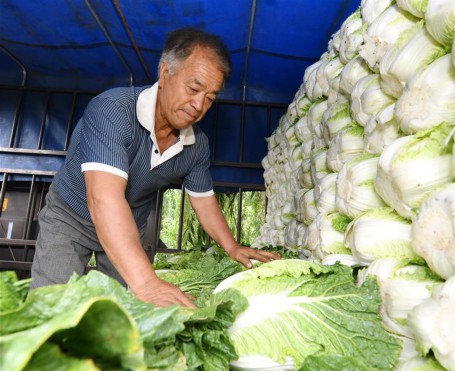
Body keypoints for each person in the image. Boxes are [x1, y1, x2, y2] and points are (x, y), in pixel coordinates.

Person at [30, 27, 280, 308]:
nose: (199, 105)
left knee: (120, 313)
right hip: (71, 217)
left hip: (129, 226)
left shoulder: (197, 145)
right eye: (194, 88)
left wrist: (232, 247)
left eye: (210, 98)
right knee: (50, 306)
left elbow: (204, 202)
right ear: (164, 73)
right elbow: (104, 199)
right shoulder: (111, 110)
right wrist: (147, 282)